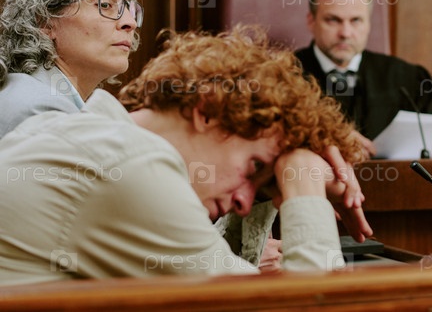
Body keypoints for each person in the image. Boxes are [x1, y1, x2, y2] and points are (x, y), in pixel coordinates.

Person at [0, 26, 372, 284]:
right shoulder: (131, 166)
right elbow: (309, 306)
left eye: (263, 181)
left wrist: (266, 191)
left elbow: (214, 275)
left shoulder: (92, 136)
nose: (243, 203)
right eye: (255, 166)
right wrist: (304, 182)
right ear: (207, 111)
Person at [294, 0, 432, 159]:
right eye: (333, 20)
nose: (346, 33)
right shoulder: (287, 74)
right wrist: (322, 138)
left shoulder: (405, 76)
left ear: (369, 24)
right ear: (311, 21)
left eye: (356, 20)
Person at [0, 0, 144, 137]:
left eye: (130, 8)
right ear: (45, 21)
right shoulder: (40, 109)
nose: (130, 22)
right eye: (105, 4)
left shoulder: (47, 97)